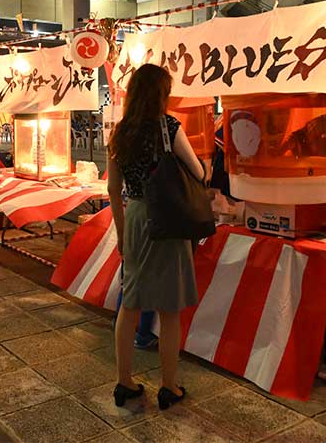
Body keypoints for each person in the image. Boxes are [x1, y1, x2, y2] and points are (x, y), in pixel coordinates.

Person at [107, 64, 203, 411]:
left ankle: (124, 382)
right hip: (166, 218)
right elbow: (198, 171)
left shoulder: (120, 132)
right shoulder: (169, 127)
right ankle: (168, 386)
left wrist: (122, 234)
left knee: (130, 303)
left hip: (134, 215)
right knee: (169, 307)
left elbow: (112, 189)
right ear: (161, 94)